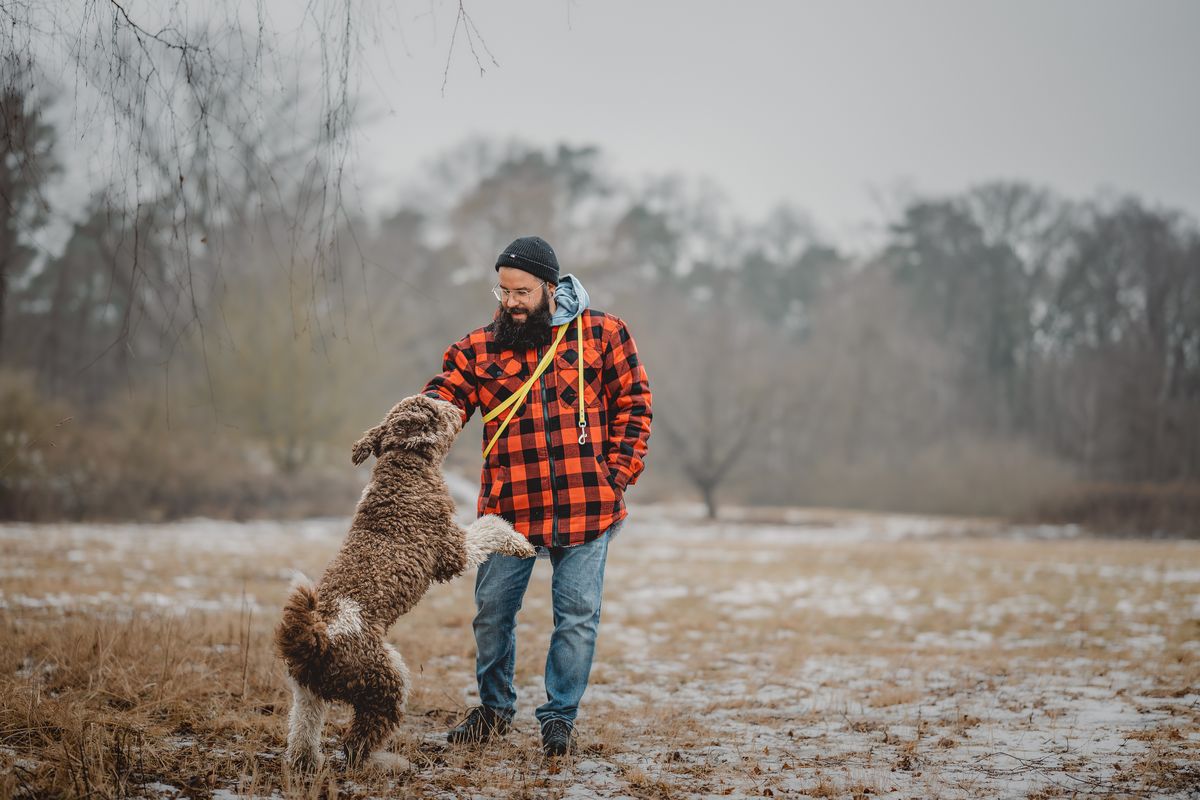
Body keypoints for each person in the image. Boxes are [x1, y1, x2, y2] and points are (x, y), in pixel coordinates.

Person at [421, 235, 652, 757]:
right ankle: (495, 709)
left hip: (587, 505)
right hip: (508, 509)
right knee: (491, 613)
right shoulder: (477, 348)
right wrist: (419, 424)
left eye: (522, 292)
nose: (511, 303)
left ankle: (559, 718)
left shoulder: (604, 334)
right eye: (502, 292)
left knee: (576, 617)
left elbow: (635, 404)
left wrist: (615, 474)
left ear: (551, 288)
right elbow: (444, 399)